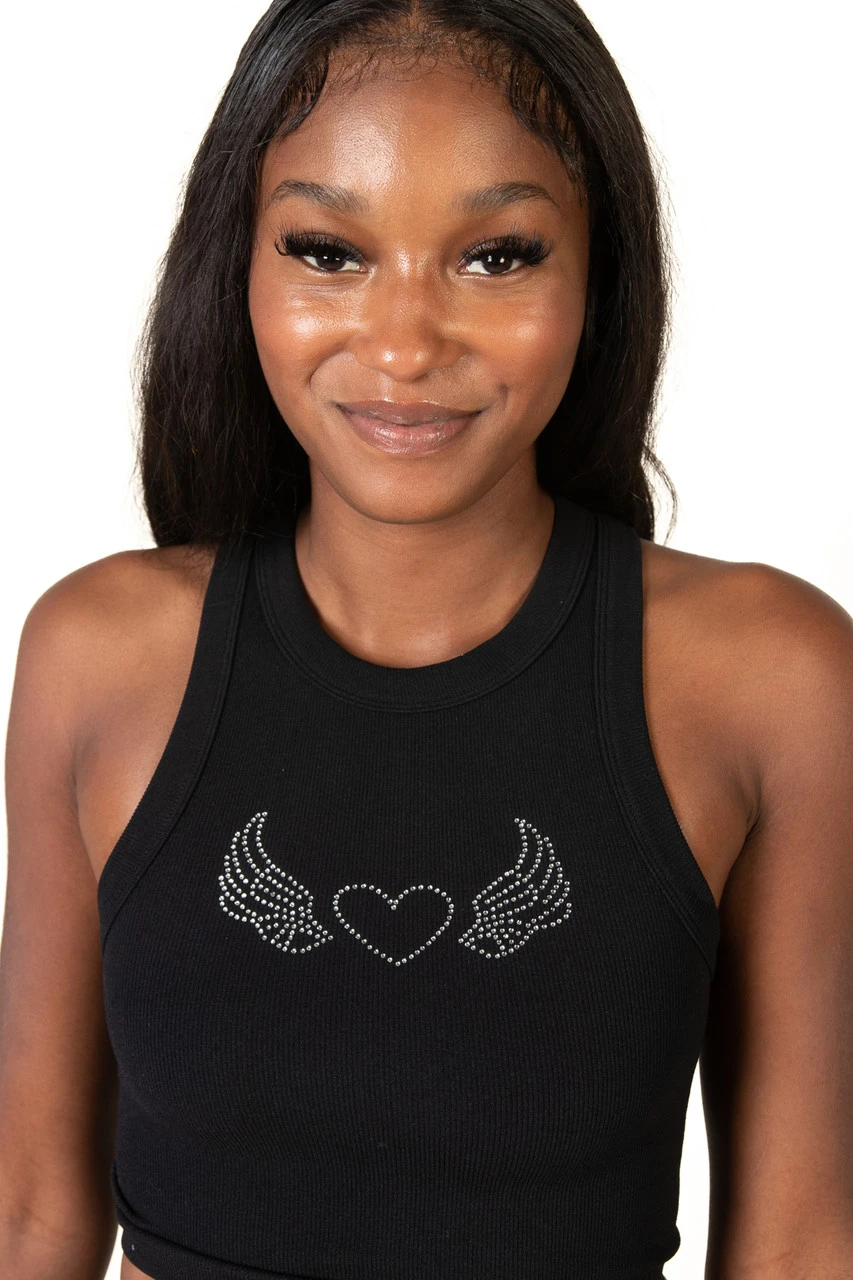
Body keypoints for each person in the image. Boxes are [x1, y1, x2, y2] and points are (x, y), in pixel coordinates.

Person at [2, 1, 852, 1277]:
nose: (403, 345)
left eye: (496, 255)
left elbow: (799, 1244)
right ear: (237, 267)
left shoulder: (769, 679)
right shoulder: (96, 654)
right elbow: (30, 1213)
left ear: (596, 275)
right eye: (327, 250)